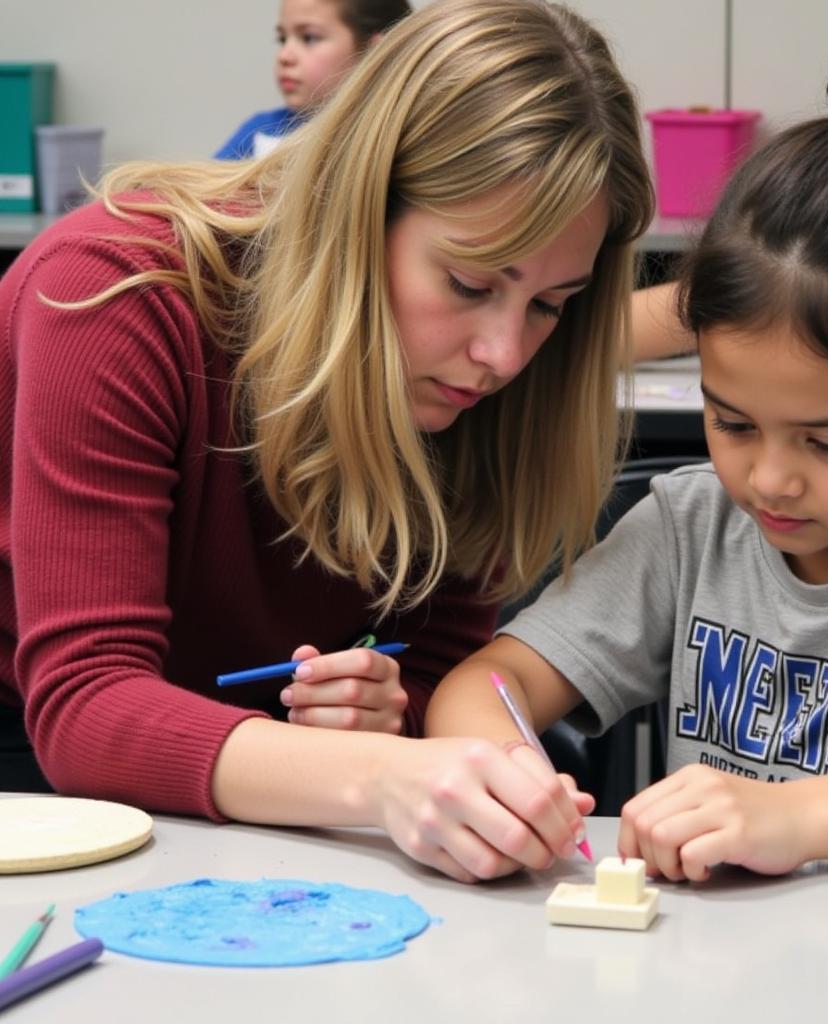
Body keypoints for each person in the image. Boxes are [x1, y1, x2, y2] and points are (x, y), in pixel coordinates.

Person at [0, 0, 656, 884]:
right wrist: (380, 776)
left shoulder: (483, 383)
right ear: (357, 206)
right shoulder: (116, 291)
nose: (504, 355)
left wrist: (388, 716)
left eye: (550, 304)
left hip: (250, 785)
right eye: (467, 282)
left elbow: (433, 664)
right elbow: (88, 708)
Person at [427, 37, 828, 882]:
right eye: (733, 421)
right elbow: (486, 683)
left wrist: (800, 815)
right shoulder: (691, 526)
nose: (770, 478)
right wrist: (506, 777)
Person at [215, 0, 410, 159]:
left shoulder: (401, 142)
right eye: (282, 39)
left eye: (309, 38)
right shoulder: (259, 133)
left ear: (375, 52)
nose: (284, 55)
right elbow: (200, 200)